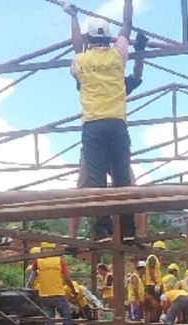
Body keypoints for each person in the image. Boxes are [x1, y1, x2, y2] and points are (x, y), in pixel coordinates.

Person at [64, 0, 135, 243]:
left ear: (89, 38)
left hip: (93, 125)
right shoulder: (118, 55)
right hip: (117, 123)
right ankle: (127, 230)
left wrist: (72, 17)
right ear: (108, 36)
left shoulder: (82, 62)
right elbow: (127, 24)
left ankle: (102, 229)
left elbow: (76, 48)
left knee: (96, 180)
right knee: (123, 177)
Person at [75, 31, 148, 191]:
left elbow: (79, 51)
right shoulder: (115, 81)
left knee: (87, 189)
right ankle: (125, 214)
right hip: (113, 132)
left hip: (95, 134)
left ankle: (98, 215)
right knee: (126, 187)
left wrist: (139, 53)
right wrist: (139, 52)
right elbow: (136, 76)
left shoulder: (108, 80)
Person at [25, 242, 77, 325]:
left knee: (50, 320)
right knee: (66, 318)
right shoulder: (60, 261)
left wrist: (27, 291)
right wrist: (73, 289)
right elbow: (67, 279)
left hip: (44, 296)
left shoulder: (37, 262)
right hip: (58, 294)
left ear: (42, 250)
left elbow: (30, 280)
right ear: (53, 250)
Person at [143, 241, 164, 322]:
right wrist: (156, 284)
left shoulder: (156, 259)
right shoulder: (152, 258)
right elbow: (152, 271)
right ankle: (153, 321)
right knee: (154, 304)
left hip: (154, 285)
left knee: (157, 303)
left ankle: (155, 320)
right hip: (152, 285)